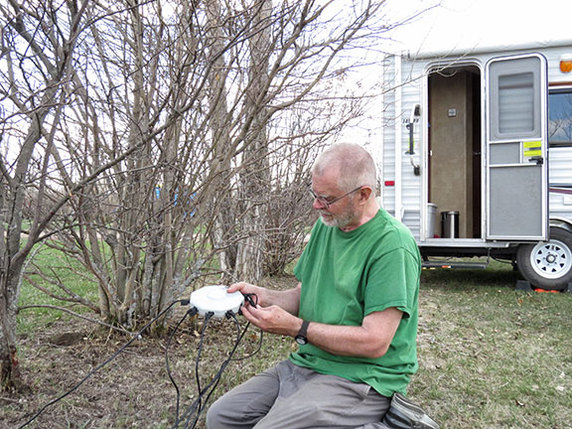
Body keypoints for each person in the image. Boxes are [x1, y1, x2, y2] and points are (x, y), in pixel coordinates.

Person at [206, 143, 422, 429]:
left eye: (327, 198)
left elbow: (375, 342)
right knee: (222, 417)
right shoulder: (327, 225)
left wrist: (297, 328)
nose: (316, 205)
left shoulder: (392, 246)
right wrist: (264, 296)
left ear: (364, 194)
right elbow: (304, 294)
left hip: (363, 378)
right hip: (307, 364)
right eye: (314, 194)